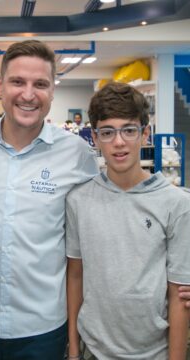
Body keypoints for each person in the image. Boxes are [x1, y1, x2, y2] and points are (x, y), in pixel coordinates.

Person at [0, 40, 99, 360]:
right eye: (18, 82)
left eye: (41, 84)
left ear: (52, 92)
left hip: (44, 328)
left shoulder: (76, 154)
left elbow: (106, 220)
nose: (28, 94)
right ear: (0, 86)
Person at [66, 81, 190, 360]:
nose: (119, 142)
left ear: (145, 134)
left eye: (129, 130)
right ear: (94, 138)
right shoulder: (78, 200)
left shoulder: (177, 204)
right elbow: (75, 275)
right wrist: (73, 351)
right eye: (107, 132)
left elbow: (179, 296)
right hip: (93, 349)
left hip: (154, 351)